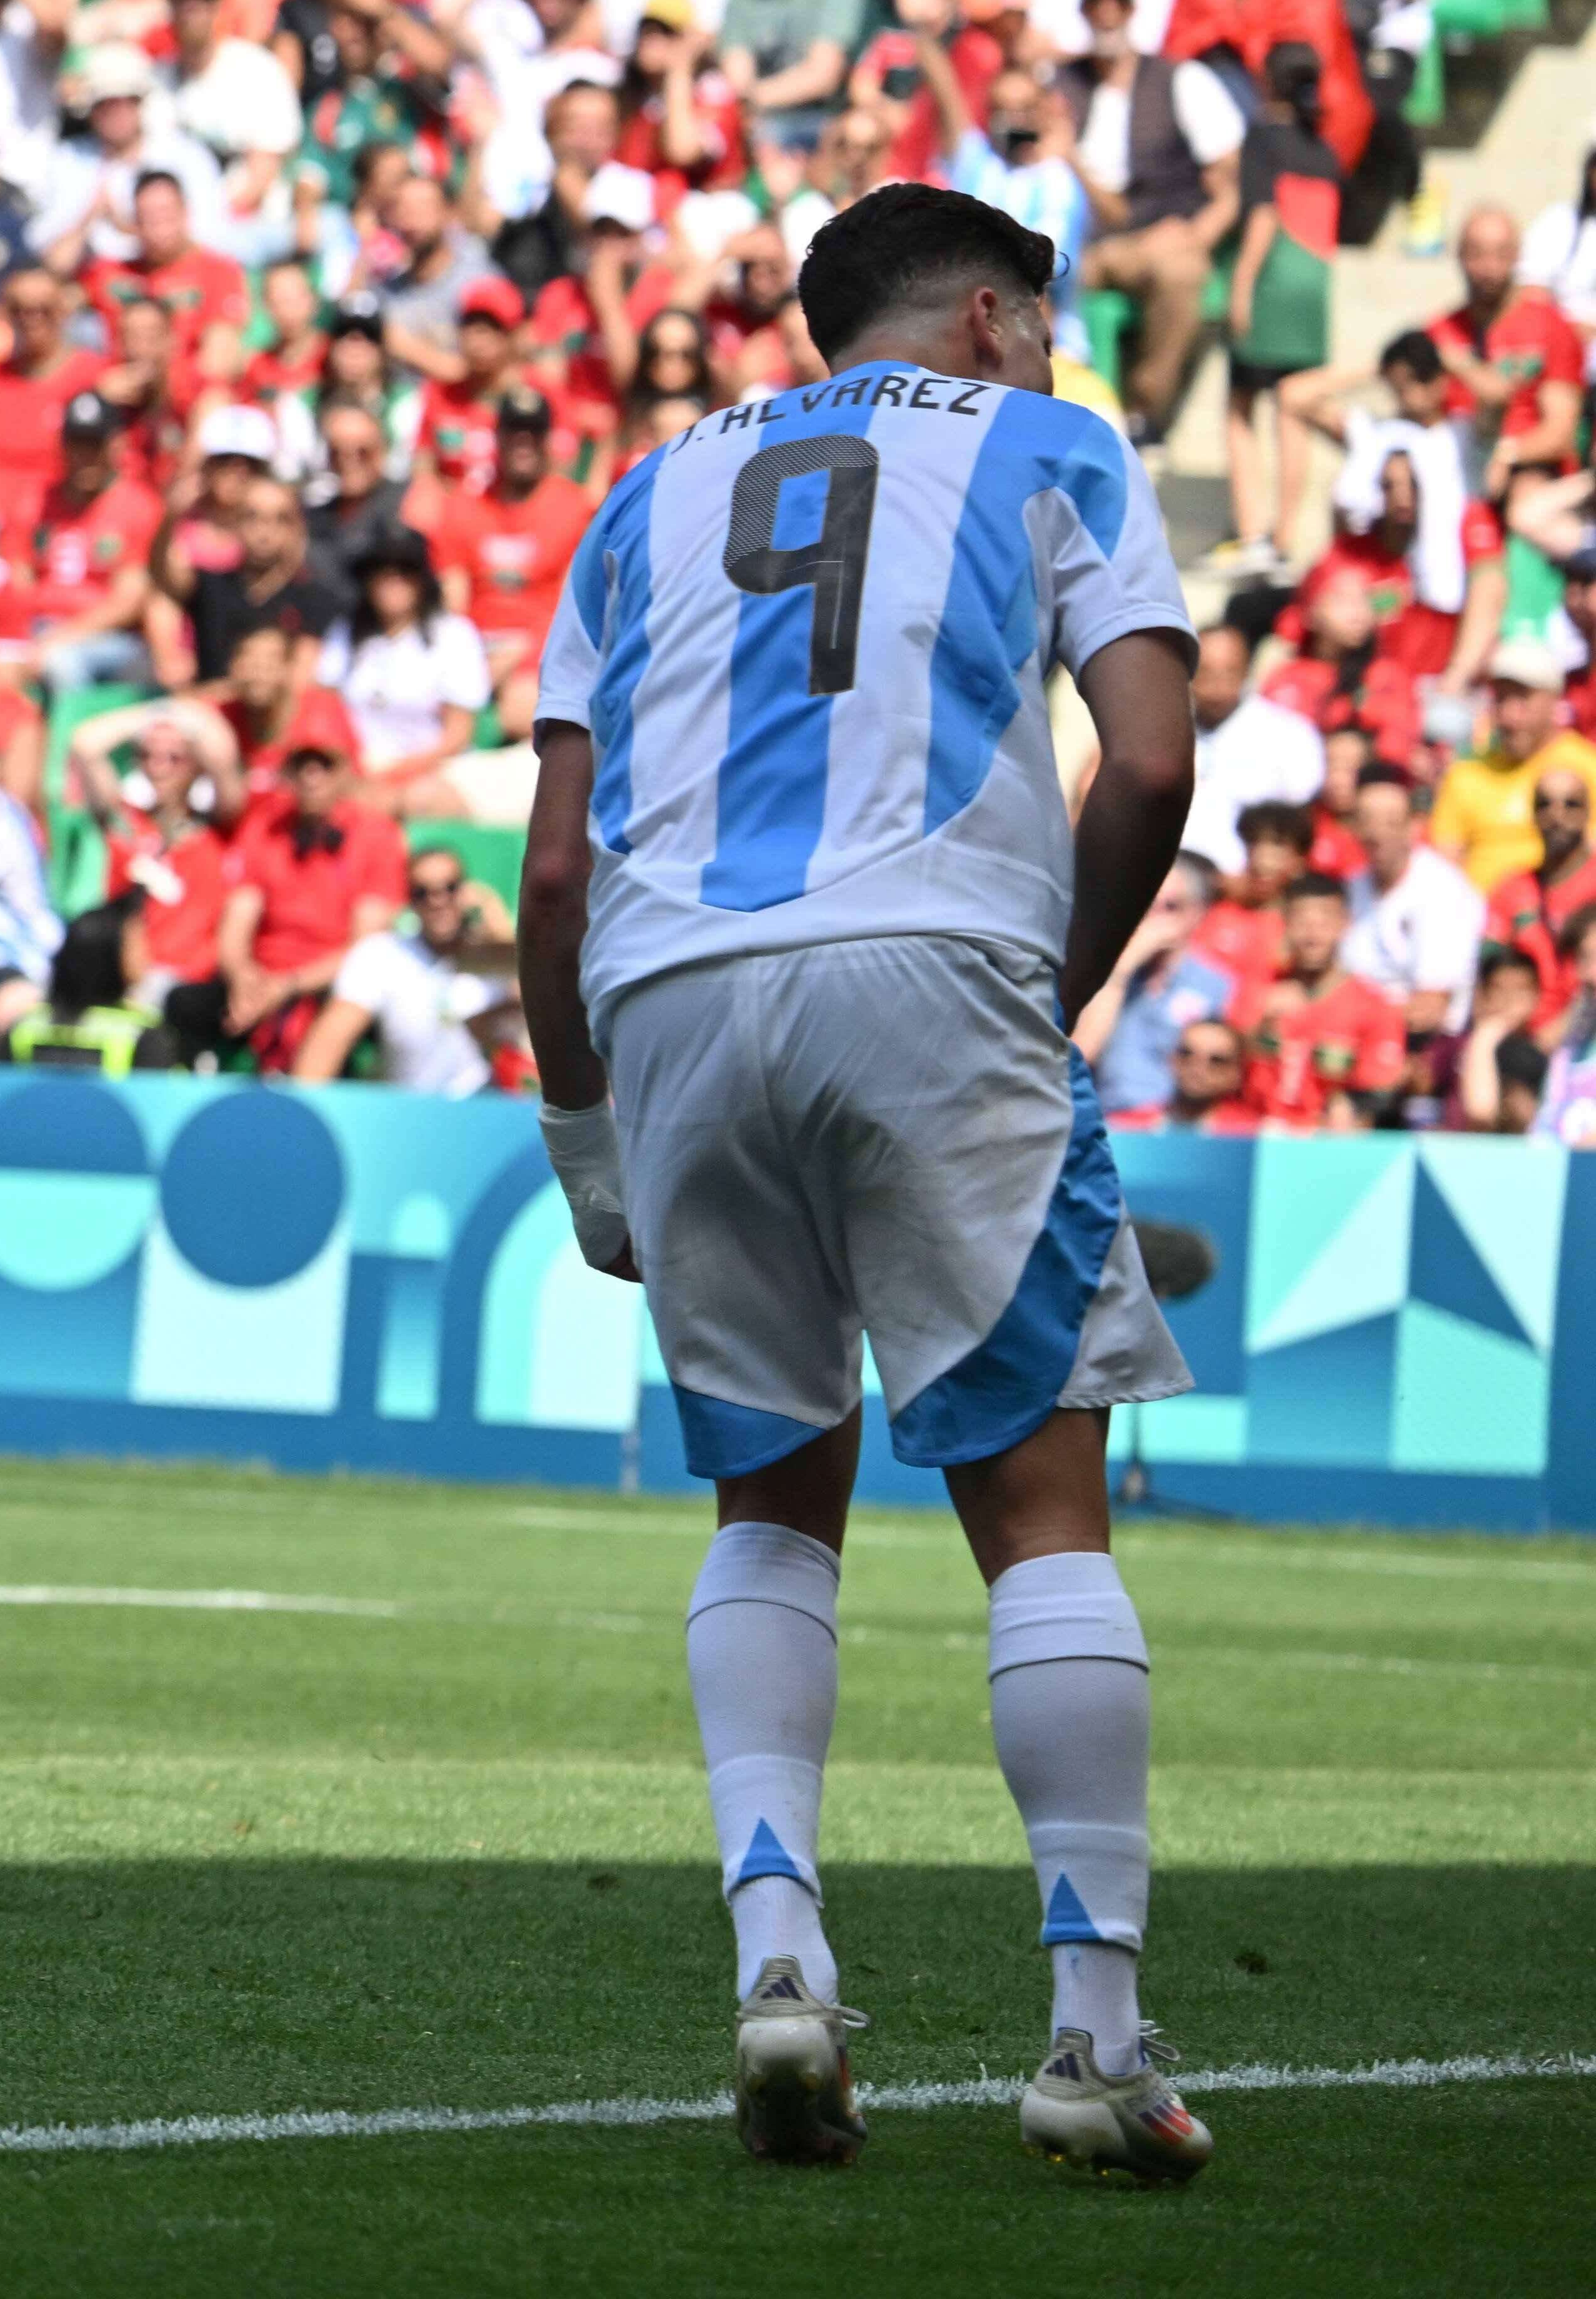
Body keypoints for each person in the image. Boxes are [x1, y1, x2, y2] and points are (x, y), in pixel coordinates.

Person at [516, 181, 1209, 2180]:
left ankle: (781, 1970)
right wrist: (1038, 992)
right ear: (992, 315)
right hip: (936, 968)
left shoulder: (642, 495)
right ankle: (1090, 2036)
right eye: (1048, 326)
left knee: (770, 1502)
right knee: (1040, 1503)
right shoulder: (1053, 442)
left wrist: (585, 1133)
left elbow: (552, 871)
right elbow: (1151, 763)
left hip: (666, 1000)